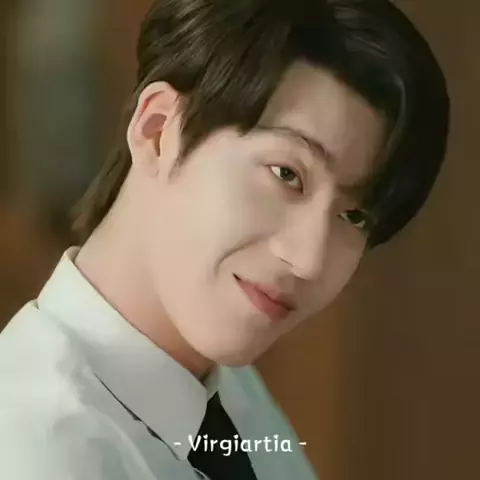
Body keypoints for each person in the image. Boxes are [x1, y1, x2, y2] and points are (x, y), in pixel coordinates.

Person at [0, 0, 449, 479]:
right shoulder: (37, 447)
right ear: (158, 131)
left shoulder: (226, 389)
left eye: (354, 216)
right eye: (287, 174)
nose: (308, 260)